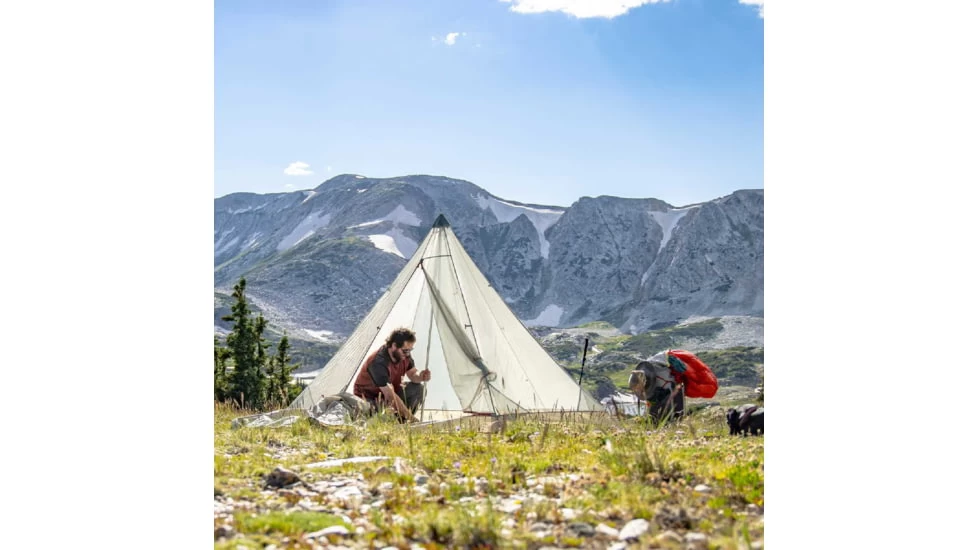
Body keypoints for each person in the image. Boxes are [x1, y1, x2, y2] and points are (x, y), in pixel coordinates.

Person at [352, 328, 431, 423]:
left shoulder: (404, 355)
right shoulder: (378, 362)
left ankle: (402, 421)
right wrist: (413, 419)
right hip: (369, 400)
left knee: (419, 389)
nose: (408, 354)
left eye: (410, 350)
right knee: (385, 408)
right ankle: (403, 421)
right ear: (394, 345)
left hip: (389, 396)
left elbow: (412, 374)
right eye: (405, 350)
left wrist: (421, 376)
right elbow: (390, 396)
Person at [628, 356, 685, 424]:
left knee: (665, 420)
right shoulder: (648, 380)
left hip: (673, 396)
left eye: (638, 388)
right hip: (665, 396)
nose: (638, 390)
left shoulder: (662, 379)